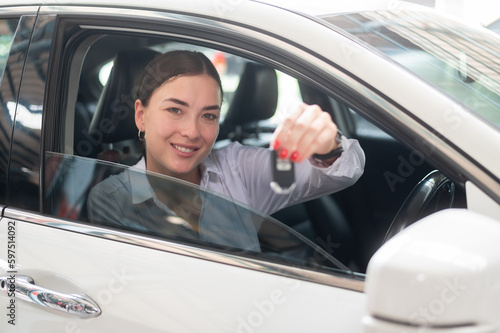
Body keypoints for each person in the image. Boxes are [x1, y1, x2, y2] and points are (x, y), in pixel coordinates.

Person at [87, 50, 365, 251]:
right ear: (140, 115)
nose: (193, 132)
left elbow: (342, 172)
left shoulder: (237, 169)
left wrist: (328, 145)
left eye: (208, 116)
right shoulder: (111, 198)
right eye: (175, 110)